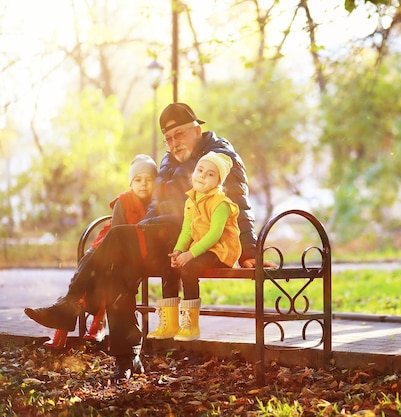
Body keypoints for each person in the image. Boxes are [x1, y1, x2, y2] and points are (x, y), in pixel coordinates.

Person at [24, 103, 259, 383]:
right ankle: (127, 359)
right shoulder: (167, 161)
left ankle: (70, 305)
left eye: (179, 134)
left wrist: (249, 250)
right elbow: (155, 207)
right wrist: (139, 232)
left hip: (197, 245)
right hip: (165, 239)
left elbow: (239, 203)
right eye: (168, 138)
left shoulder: (219, 156)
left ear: (197, 130)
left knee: (117, 236)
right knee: (117, 263)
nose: (174, 143)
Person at [27, 154, 158, 348]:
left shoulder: (156, 204)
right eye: (138, 180)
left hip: (133, 255)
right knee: (91, 265)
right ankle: (77, 323)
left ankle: (69, 313)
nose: (143, 184)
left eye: (149, 180)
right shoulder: (124, 201)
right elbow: (118, 233)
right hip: (107, 248)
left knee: (105, 273)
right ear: (131, 183)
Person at [155, 152, 242, 342]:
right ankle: (169, 324)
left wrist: (189, 255)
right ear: (193, 172)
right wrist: (178, 251)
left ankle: (190, 326)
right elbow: (186, 231)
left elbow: (214, 234)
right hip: (200, 248)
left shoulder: (221, 203)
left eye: (210, 174)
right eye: (200, 170)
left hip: (221, 250)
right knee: (168, 268)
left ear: (219, 181)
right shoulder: (190, 201)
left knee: (188, 268)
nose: (203, 175)